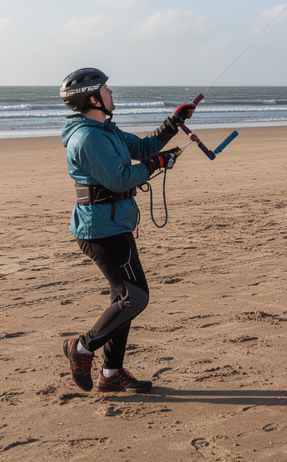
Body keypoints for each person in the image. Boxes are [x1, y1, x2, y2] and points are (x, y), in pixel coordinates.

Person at [58, 68, 194, 394]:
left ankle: (111, 373)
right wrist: (158, 165)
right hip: (100, 230)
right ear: (92, 98)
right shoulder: (88, 137)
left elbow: (144, 148)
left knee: (123, 299)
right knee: (135, 298)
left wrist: (172, 124)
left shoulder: (106, 129)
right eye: (107, 90)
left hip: (115, 223)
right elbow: (120, 179)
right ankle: (81, 348)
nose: (112, 93)